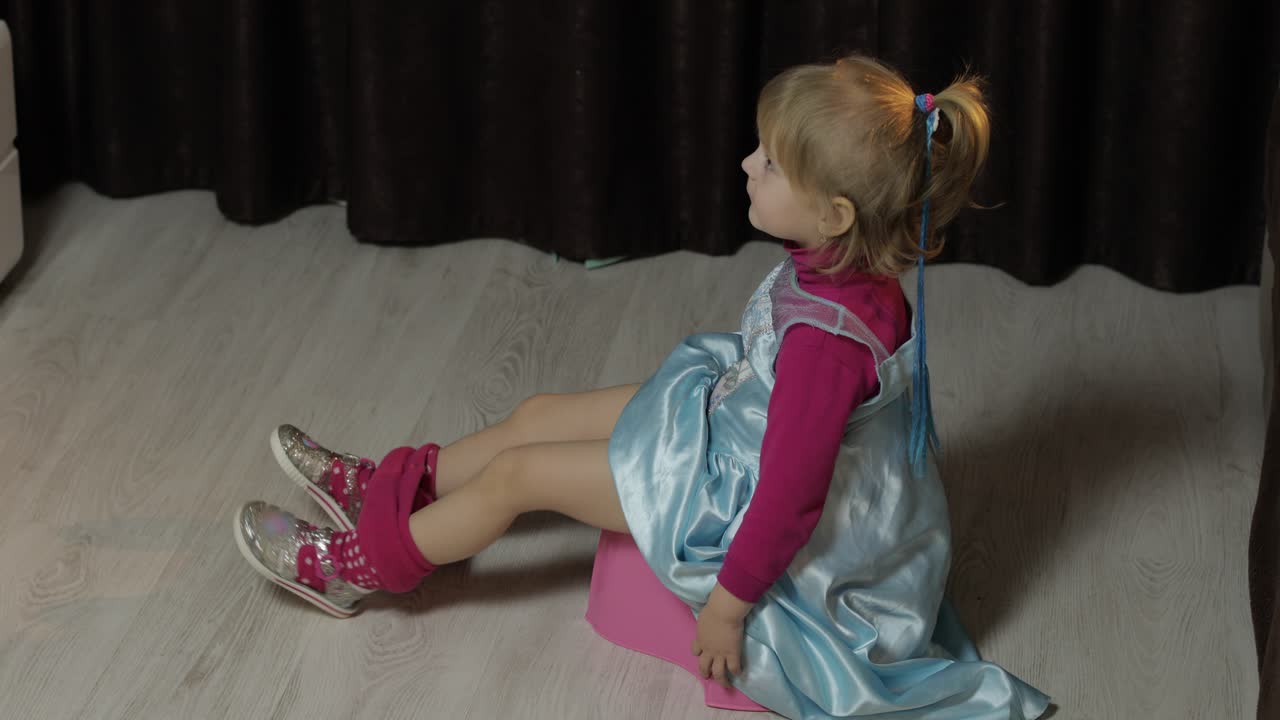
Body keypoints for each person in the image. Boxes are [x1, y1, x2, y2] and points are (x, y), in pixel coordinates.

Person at [232, 54, 1050, 719]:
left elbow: (791, 495)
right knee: (540, 414)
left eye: (768, 163)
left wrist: (728, 607)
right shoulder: (846, 266)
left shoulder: (826, 350)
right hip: (736, 416)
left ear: (835, 215)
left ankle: (360, 567)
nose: (746, 164)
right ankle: (390, 486)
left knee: (523, 477)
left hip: (738, 494)